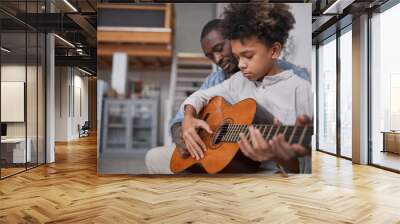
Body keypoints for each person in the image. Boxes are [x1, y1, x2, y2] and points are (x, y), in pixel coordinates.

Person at [145, 16, 311, 174]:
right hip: (212, 154)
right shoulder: (222, 80)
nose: (216, 59)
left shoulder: (296, 81)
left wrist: (280, 155)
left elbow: (302, 159)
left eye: (219, 49)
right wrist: (184, 130)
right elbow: (185, 112)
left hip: (249, 164)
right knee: (153, 157)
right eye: (210, 56)